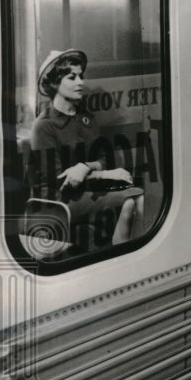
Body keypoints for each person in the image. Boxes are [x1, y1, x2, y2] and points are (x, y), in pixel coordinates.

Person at [30, 49, 145, 250]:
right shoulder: (44, 126)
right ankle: (120, 257)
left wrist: (85, 167)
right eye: (71, 77)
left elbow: (103, 158)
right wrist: (101, 174)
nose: (80, 82)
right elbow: (58, 180)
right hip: (58, 200)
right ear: (55, 82)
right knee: (130, 200)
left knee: (137, 195)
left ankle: (121, 253)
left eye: (81, 76)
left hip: (86, 190)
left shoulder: (86, 118)